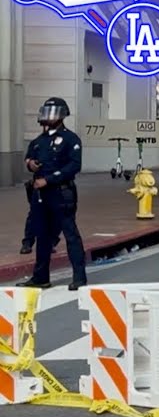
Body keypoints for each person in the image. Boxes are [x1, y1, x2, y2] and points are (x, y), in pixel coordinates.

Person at [19, 97, 88, 290]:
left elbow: (74, 165)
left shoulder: (70, 139)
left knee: (70, 234)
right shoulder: (39, 141)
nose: (49, 118)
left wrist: (48, 179)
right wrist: (30, 164)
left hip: (61, 193)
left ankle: (79, 277)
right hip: (40, 196)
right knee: (42, 235)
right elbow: (29, 157)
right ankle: (40, 277)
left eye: (53, 113)